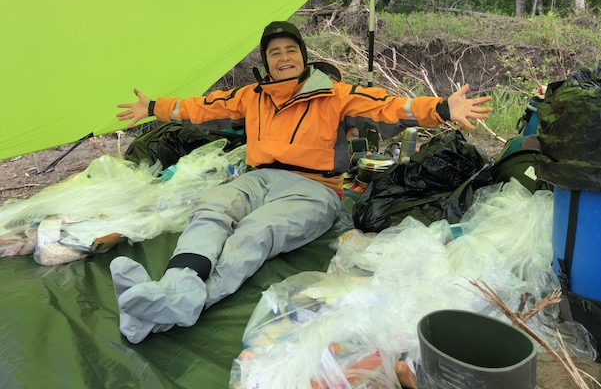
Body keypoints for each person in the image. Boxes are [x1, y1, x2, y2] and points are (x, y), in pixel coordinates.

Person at [110, 20, 492, 344]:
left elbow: (388, 106)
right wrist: (153, 107)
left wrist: (442, 108)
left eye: (291, 50)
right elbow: (202, 108)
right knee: (212, 206)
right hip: (259, 177)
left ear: (304, 56)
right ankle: (178, 283)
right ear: (266, 63)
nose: (284, 57)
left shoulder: (336, 95)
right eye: (274, 52)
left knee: (255, 231)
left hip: (314, 188)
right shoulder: (252, 96)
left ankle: (189, 301)